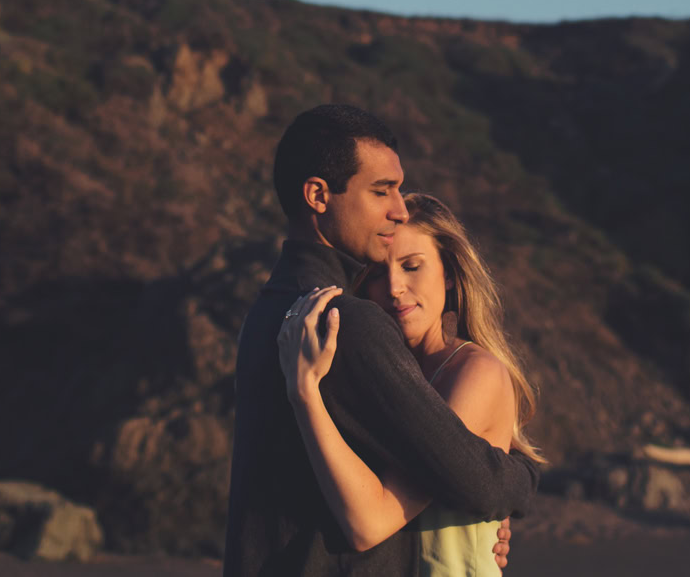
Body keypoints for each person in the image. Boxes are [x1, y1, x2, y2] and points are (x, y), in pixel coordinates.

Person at [224, 106, 535, 577]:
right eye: (380, 190)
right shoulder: (346, 323)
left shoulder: (266, 313)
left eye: (413, 265)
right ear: (317, 195)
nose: (399, 209)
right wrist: (526, 476)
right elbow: (476, 480)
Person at [278, 192, 544, 576]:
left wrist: (304, 393)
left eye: (412, 266)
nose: (395, 287)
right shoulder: (394, 374)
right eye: (378, 273)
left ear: (448, 273)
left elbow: (368, 523)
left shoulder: (475, 373)